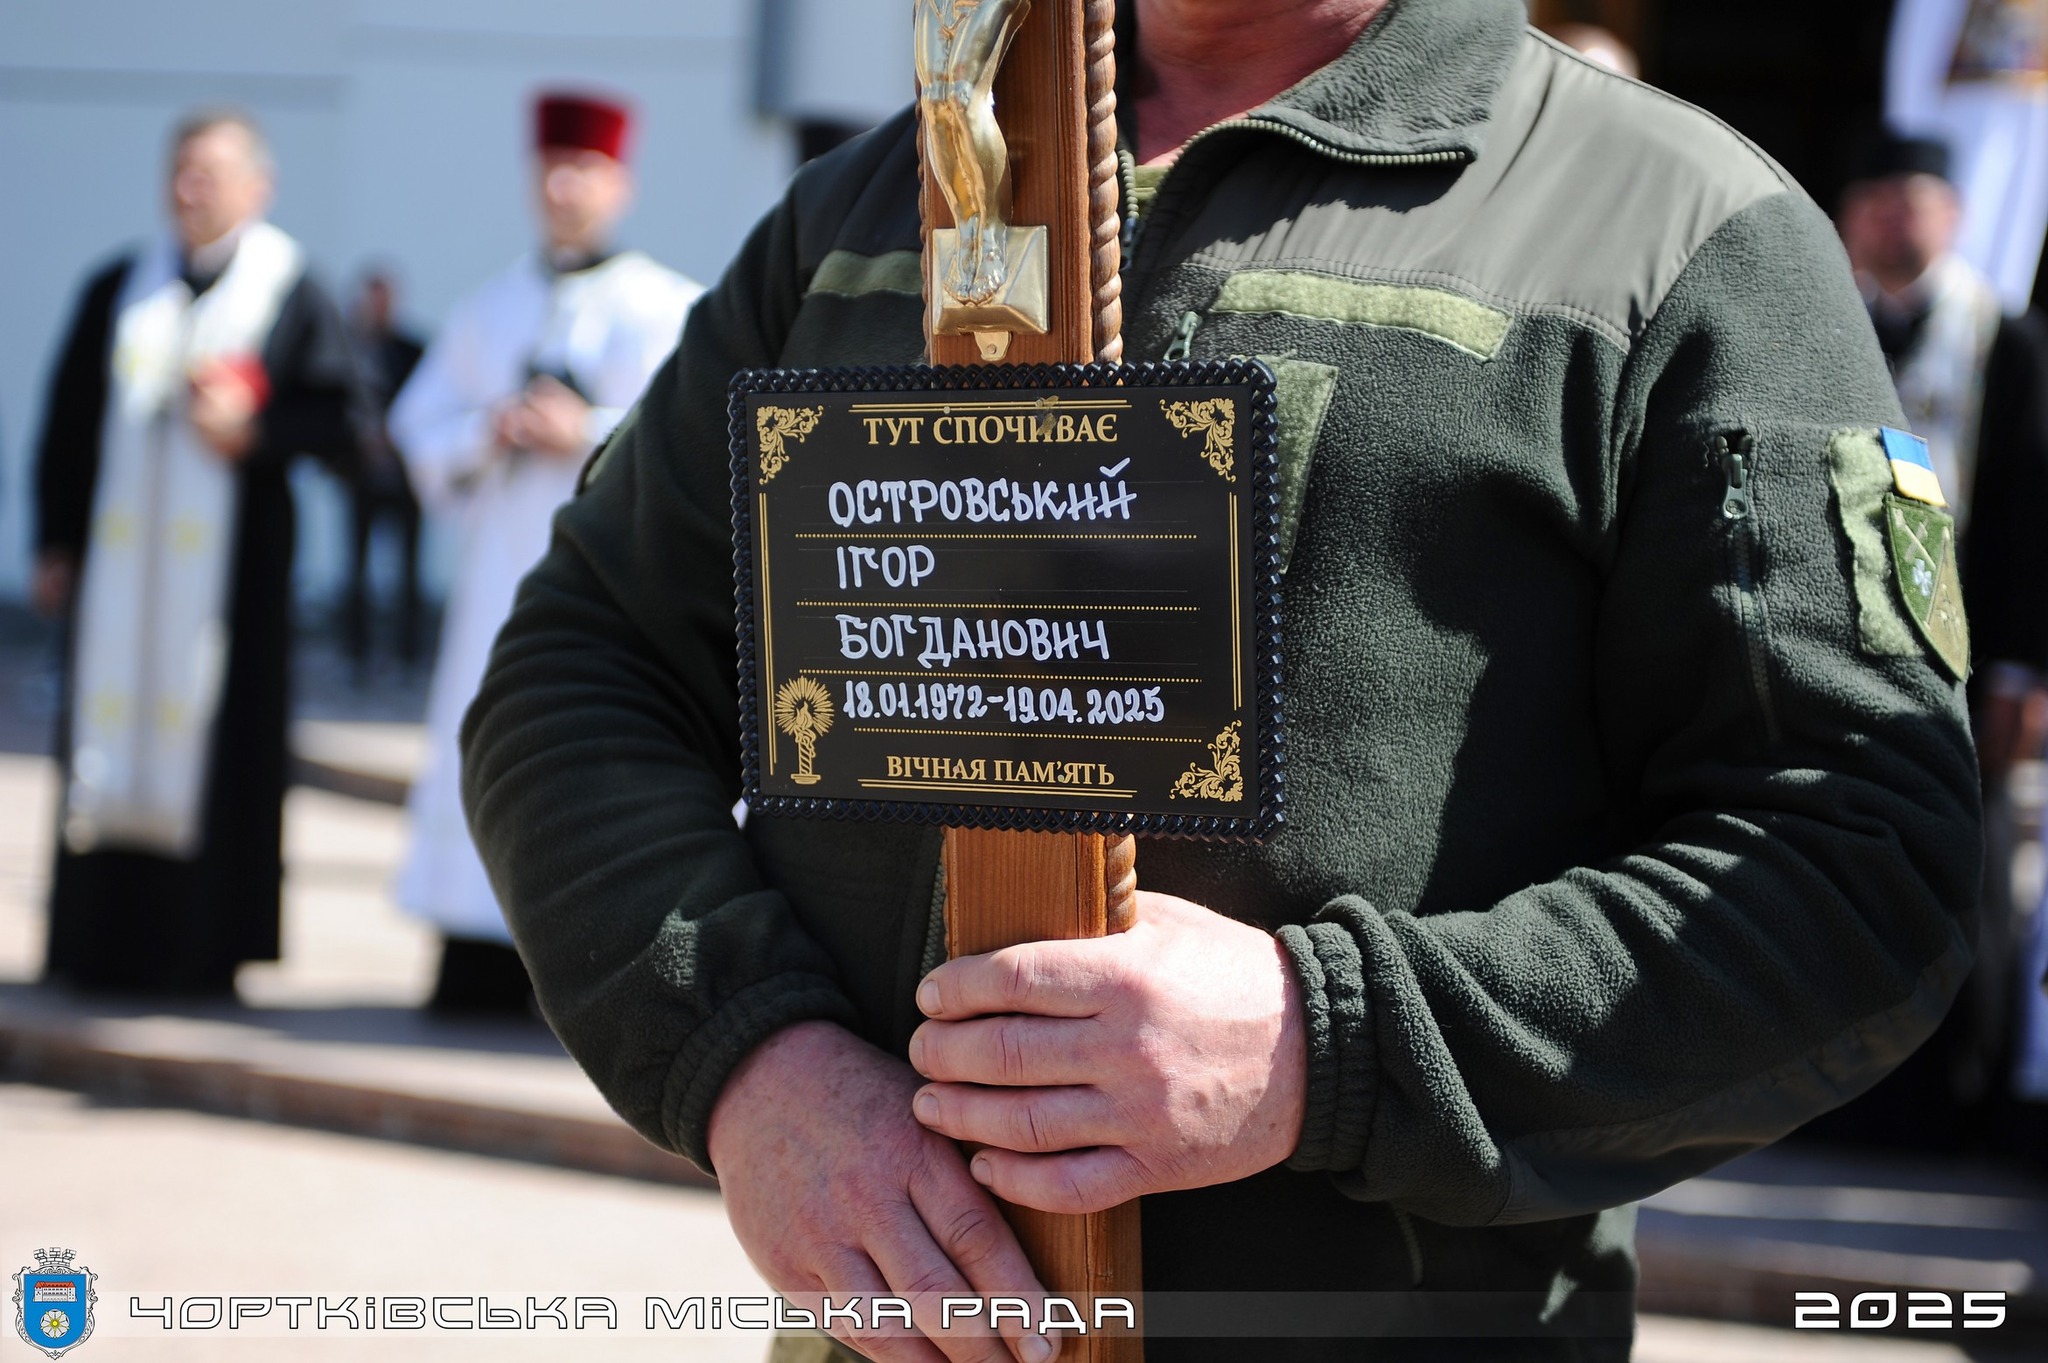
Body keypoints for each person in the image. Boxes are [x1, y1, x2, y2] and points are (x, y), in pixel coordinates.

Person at [463, 2, 1980, 1358]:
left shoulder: (1675, 227)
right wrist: (751, 1062)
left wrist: (1321, 1042)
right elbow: (577, 670)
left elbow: (1860, 865)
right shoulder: (879, 206)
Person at [32, 108, 367, 996]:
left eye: (211, 173)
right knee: (106, 734)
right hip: (116, 577)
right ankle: (100, 946)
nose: (191, 189)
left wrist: (251, 432)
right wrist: (54, 541)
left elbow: (344, 424)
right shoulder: (119, 287)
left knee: (220, 752)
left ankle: (201, 951)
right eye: (181, 171)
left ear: (259, 187)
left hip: (229, 585)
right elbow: (67, 423)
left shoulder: (291, 287)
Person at [389, 93, 702, 1014]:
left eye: (584, 169)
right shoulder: (493, 306)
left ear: (621, 183)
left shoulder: (665, 304)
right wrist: (492, 431)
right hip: (500, 577)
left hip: (615, 583)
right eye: (551, 169)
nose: (565, 187)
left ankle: (587, 973)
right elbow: (418, 428)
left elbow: (691, 436)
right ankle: (476, 963)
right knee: (483, 740)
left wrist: (589, 430)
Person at [1798, 129, 2048, 1155]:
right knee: (1830, 858)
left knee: (1969, 868)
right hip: (1846, 642)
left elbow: (2033, 510)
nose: (1889, 220)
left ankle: (1964, 1098)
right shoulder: (1816, 328)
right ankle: (1831, 1096)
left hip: (1970, 645)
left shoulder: (2005, 339)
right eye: (1871, 202)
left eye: (1909, 200)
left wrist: (2023, 668)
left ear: (1949, 214)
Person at [343, 269, 427, 684]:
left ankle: (408, 656)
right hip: (361, 480)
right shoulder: (346, 349)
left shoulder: (413, 349)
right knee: (355, 570)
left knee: (409, 573)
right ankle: (355, 655)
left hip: (406, 480)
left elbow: (430, 407)